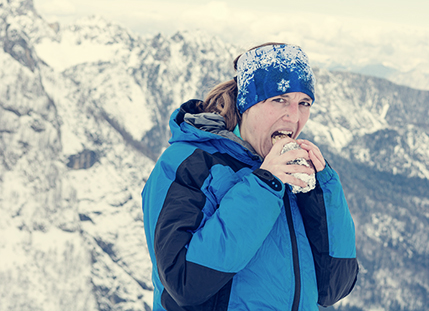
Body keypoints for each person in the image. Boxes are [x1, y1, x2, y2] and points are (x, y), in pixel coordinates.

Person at [142, 43, 358, 310]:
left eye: (304, 103)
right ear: (247, 104)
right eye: (279, 99)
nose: (294, 115)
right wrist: (264, 184)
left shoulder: (291, 173)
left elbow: (334, 287)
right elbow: (185, 283)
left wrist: (323, 189)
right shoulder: (189, 163)